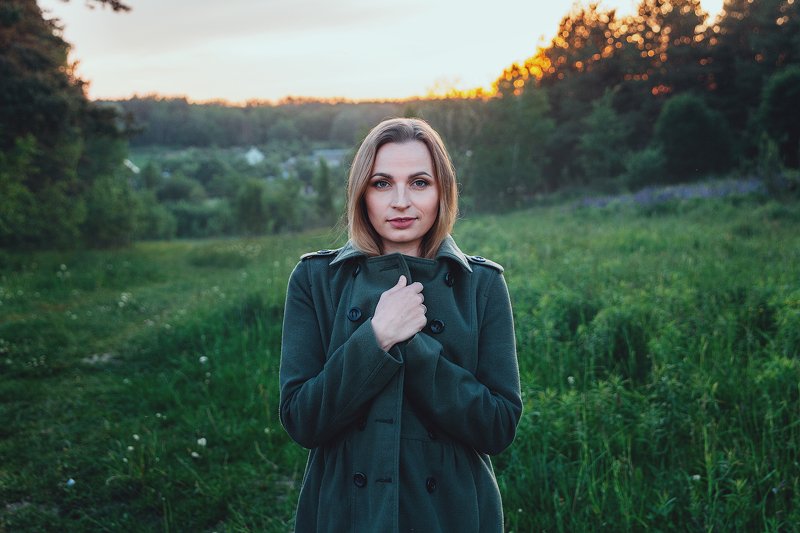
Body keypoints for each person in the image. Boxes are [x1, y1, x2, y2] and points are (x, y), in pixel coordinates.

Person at [279, 117, 522, 532]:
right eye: (382, 183)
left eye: (420, 182)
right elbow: (303, 420)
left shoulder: (480, 284)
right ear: (362, 194)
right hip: (346, 514)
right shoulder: (316, 280)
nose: (401, 202)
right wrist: (375, 338)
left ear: (442, 190)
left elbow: (497, 427)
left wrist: (415, 346)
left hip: (451, 514)